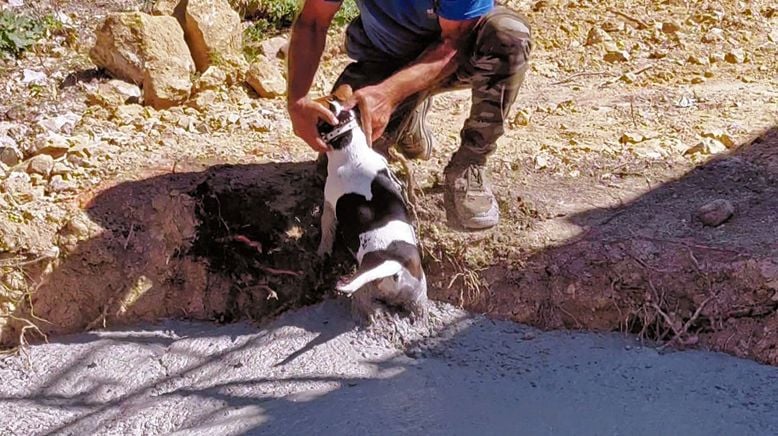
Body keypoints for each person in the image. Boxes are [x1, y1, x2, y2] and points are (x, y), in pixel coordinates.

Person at [287, 0, 532, 230]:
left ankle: (470, 162)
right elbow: (313, 21)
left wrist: (388, 95)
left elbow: (454, 43)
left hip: (459, 51)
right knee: (340, 175)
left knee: (508, 35)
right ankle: (407, 116)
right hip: (386, 58)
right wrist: (297, 101)